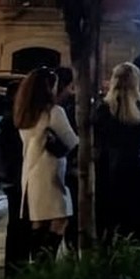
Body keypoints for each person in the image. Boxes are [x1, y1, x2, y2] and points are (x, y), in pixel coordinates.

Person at [14, 68, 78, 261]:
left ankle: (37, 263)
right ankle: (46, 262)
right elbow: (72, 141)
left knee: (39, 222)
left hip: (30, 174)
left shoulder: (25, 114)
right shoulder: (54, 112)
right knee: (60, 218)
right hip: (50, 174)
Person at [93, 62, 140, 242]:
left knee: (112, 222)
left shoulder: (104, 109)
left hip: (109, 171)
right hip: (138, 170)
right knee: (138, 221)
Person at [0, 81, 28, 277]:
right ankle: (15, 269)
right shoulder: (13, 121)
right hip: (17, 178)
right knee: (19, 225)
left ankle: (13, 269)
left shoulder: (10, 119)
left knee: (16, 225)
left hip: (13, 178)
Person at [53, 67, 79, 251]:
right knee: (63, 219)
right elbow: (73, 142)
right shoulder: (60, 110)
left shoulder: (34, 110)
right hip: (65, 169)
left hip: (43, 171)